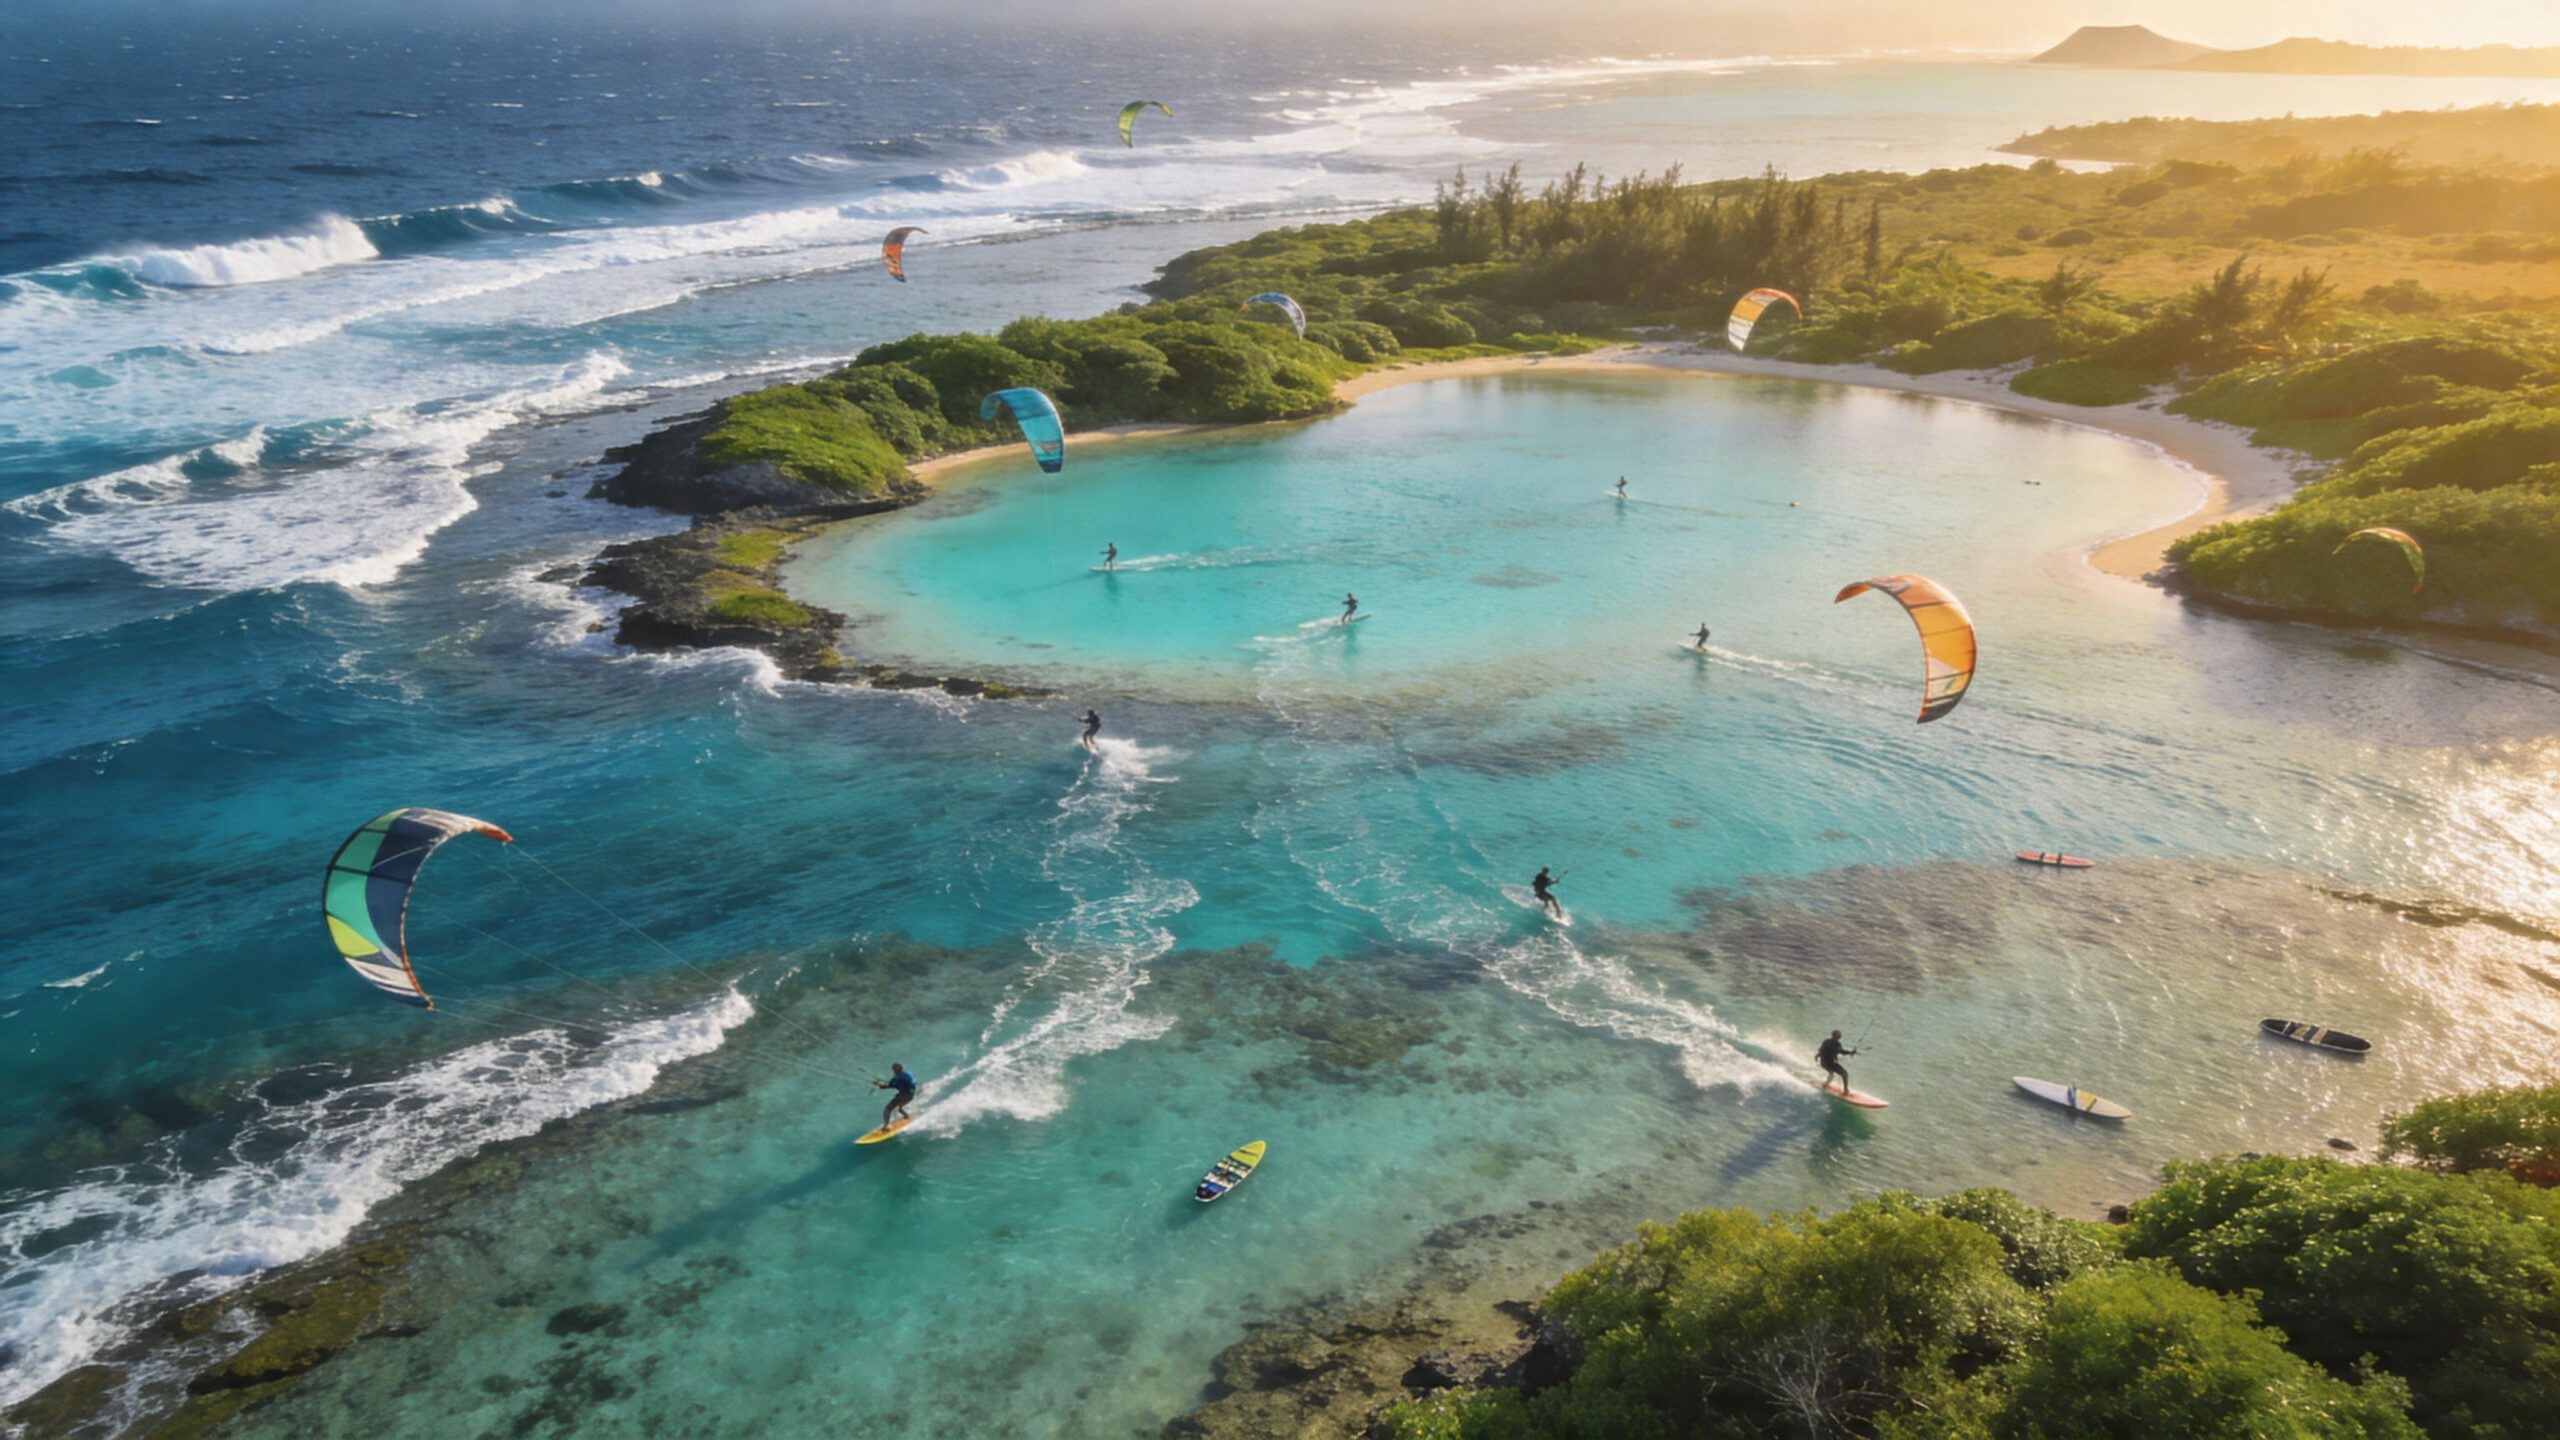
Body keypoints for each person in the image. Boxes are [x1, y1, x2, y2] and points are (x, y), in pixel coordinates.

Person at [873, 1063, 918, 1131]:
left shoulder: (898, 1078)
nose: (892, 1070)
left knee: (888, 1108)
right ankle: (906, 1115)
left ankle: (886, 1126)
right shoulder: (907, 1073)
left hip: (904, 1095)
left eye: (893, 1069)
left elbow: (888, 1086)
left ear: (895, 1070)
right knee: (899, 1107)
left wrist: (879, 1084)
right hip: (911, 1094)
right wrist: (881, 1083)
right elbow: (891, 1083)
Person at [1816, 1031, 1857, 1096]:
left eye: (1839, 1036)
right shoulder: (1837, 1044)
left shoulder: (1826, 1041)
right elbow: (1841, 1051)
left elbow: (1821, 1050)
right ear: (1837, 1037)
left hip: (1823, 1062)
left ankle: (1825, 1084)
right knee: (1845, 1074)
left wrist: (1817, 1056)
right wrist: (1851, 1052)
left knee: (1831, 1074)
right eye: (1838, 1036)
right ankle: (1845, 1090)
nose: (1839, 1037)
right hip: (1829, 1064)